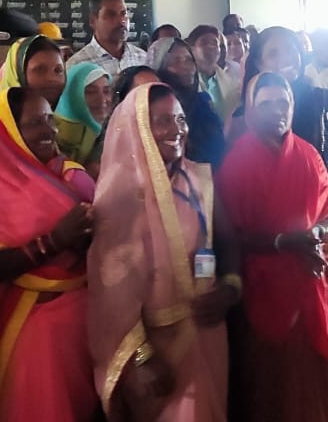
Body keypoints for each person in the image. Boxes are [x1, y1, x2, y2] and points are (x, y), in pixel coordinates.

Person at [88, 83, 237, 421]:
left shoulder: (200, 180)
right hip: (155, 346)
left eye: (180, 119)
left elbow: (228, 241)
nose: (176, 130)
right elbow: (111, 293)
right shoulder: (120, 196)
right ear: (139, 127)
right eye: (163, 121)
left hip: (207, 330)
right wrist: (141, 358)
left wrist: (230, 286)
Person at [0, 87, 99, 422]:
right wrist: (54, 241)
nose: (50, 130)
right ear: (8, 132)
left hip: (84, 321)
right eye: (35, 123)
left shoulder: (70, 175)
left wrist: (89, 235)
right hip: (33, 330)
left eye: (50, 119)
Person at [218, 72, 328, 422]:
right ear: (251, 109)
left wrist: (317, 231)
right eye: (267, 104)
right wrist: (282, 242)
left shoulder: (308, 154)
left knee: (316, 377)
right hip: (265, 289)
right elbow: (232, 235)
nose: (277, 110)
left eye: (284, 102)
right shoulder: (235, 164)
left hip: (309, 280)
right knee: (272, 381)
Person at [0, 35, 67, 204]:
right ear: (17, 74)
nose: (52, 79)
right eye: (39, 70)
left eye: (58, 71)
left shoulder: (60, 127)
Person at [234, 27, 328, 185]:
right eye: (273, 53)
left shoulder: (321, 99)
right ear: (258, 63)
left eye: (290, 49)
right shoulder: (247, 111)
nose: (286, 58)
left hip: (321, 195)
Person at [156, 39, 227, 167]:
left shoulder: (203, 102)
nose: (186, 67)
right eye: (176, 61)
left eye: (189, 60)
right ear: (159, 67)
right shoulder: (156, 111)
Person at [68, 0, 148, 76]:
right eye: (111, 15)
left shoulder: (143, 59)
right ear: (92, 21)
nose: (121, 21)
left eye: (123, 14)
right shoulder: (77, 65)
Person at [55, 62, 111, 170]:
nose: (102, 100)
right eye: (90, 92)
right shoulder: (53, 134)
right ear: (72, 94)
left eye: (106, 91)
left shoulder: (106, 132)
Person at [188, 25, 242, 123]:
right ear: (192, 49)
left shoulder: (231, 81)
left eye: (215, 43)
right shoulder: (188, 82)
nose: (211, 47)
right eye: (204, 43)